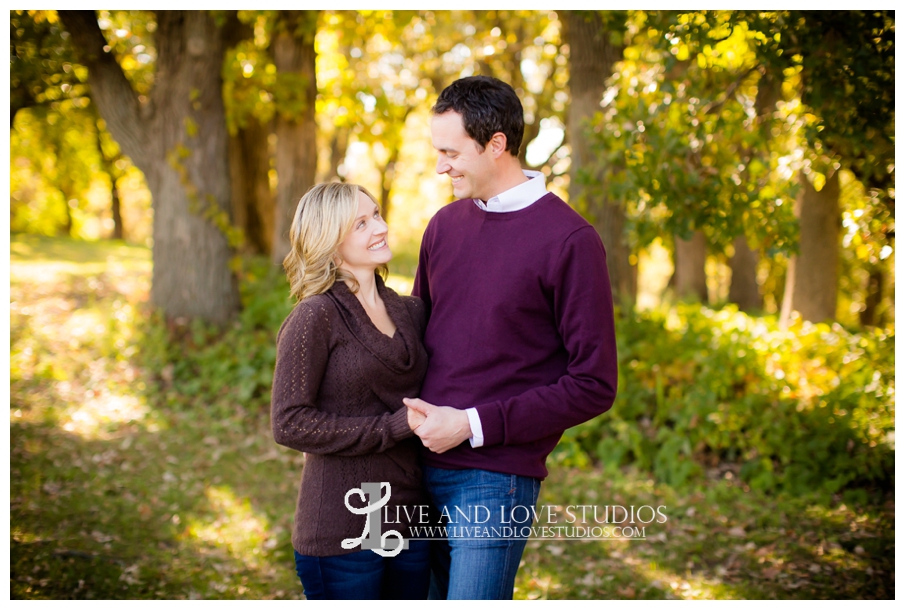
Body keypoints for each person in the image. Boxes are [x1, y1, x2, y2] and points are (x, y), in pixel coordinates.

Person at [403, 75, 618, 600]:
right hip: (412, 465)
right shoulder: (443, 226)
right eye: (438, 152)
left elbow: (593, 383)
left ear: (496, 144)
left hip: (494, 479)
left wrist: (471, 425)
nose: (440, 166)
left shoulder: (570, 241)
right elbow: (414, 344)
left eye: (451, 152)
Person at [271, 182, 431, 600]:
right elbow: (289, 423)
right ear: (330, 240)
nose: (380, 227)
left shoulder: (410, 310)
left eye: (376, 214)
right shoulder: (314, 317)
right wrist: (393, 427)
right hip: (342, 529)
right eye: (361, 223)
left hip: (410, 520)